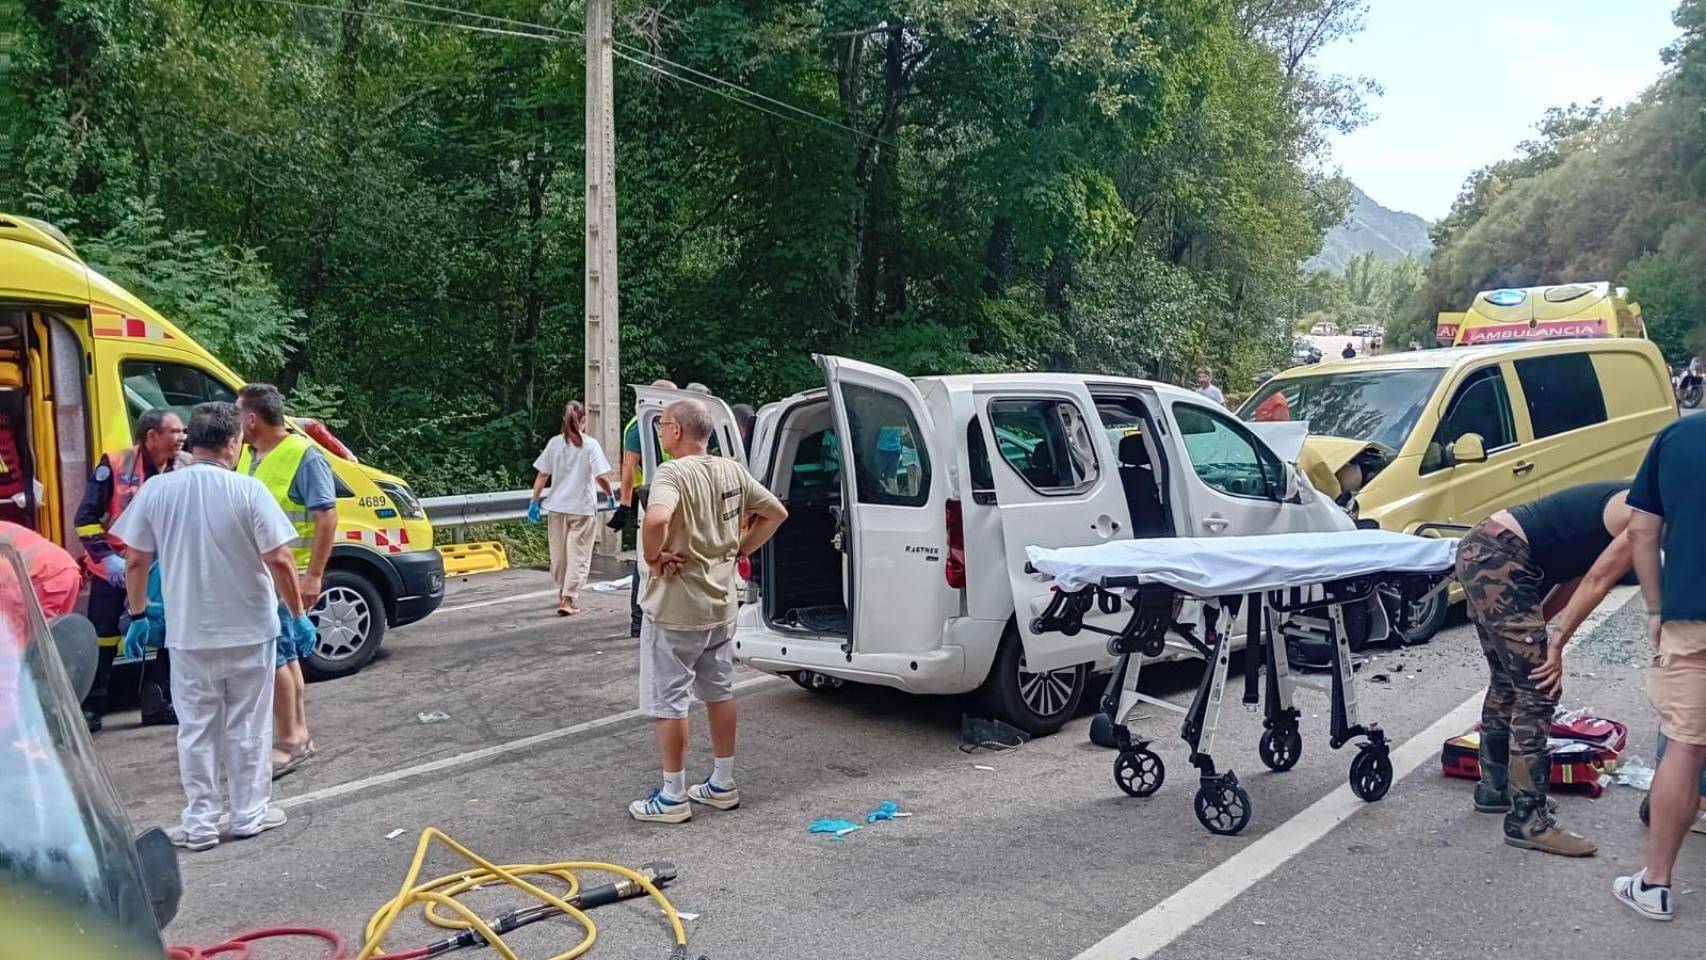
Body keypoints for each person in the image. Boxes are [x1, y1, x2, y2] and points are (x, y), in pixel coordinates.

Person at [110, 401, 314, 851]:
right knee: (248, 725)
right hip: (251, 631)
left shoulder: (158, 491)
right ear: (233, 443)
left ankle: (200, 823)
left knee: (196, 729)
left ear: (193, 441)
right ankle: (248, 814)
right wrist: (298, 616)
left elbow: (136, 560)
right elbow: (280, 560)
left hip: (189, 635)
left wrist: (139, 616)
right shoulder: (248, 490)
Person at [628, 399, 787, 823]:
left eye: (662, 425)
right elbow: (776, 512)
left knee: (669, 701)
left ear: (677, 430)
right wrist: (741, 549)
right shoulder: (731, 470)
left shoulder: (672, 473)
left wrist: (653, 557)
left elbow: (657, 519)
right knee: (719, 691)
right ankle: (722, 783)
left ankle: (672, 795)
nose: (661, 432)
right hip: (721, 602)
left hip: (676, 607)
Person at [1456, 482, 1633, 859]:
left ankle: (1496, 789)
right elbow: (1598, 580)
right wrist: (1554, 645)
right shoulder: (1645, 514)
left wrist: (1539, 630)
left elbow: (1577, 575)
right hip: (1501, 558)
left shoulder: (1633, 499)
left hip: (1483, 548)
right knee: (1539, 688)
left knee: (1509, 678)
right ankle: (1528, 820)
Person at [1615, 415, 1706, 920]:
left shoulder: (1679, 438)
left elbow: (1641, 530)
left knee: (1686, 745)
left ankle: (1655, 885)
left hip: (1693, 616)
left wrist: (1655, 607)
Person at [235, 384, 336, 779]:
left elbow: (326, 517)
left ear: (252, 419)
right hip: (264, 575)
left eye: (237, 413)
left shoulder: (302, 455)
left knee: (277, 657)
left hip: (286, 573)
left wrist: (314, 575)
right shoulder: (250, 455)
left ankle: (289, 741)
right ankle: (299, 735)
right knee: (287, 656)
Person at [76, 408, 189, 731]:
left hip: (164, 569)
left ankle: (159, 702)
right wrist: (106, 558)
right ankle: (91, 707)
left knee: (169, 634)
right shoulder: (115, 464)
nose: (182, 437)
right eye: (175, 431)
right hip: (115, 568)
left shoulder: (187, 465)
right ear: (152, 436)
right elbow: (85, 520)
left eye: (183, 431)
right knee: (103, 637)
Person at [528, 400, 615, 616]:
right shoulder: (590, 445)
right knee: (578, 554)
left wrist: (534, 501)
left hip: (557, 507)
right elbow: (601, 476)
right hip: (582, 508)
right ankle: (568, 599)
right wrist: (610, 494)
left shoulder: (554, 444)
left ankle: (562, 592)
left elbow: (542, 475)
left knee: (559, 554)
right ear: (584, 420)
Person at [613, 379, 679, 638]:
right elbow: (629, 466)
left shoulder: (666, 425)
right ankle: (639, 620)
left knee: (660, 555)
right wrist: (625, 504)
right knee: (645, 560)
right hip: (646, 497)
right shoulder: (639, 426)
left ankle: (659, 614)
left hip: (665, 493)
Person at [0, 520, 80, 618]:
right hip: (70, 570)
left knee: (33, 625)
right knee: (60, 624)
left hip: (45, 576)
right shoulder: (7, 527)